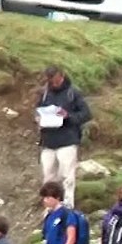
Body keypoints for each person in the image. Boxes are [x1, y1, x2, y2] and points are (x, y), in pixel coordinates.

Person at [37, 65, 92, 208]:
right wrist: (39, 119)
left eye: (56, 80)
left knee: (67, 176)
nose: (54, 84)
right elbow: (38, 110)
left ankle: (67, 206)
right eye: (51, 81)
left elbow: (86, 114)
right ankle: (50, 208)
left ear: (61, 76)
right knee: (48, 176)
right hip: (48, 141)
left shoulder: (73, 93)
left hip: (67, 140)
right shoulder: (44, 93)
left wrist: (68, 116)